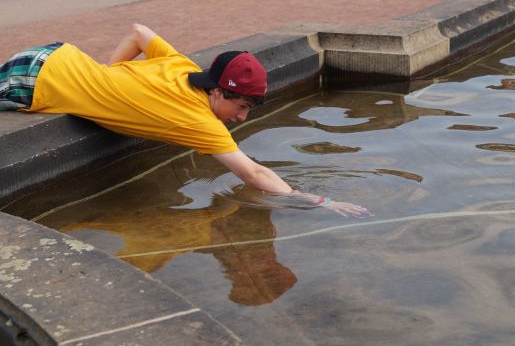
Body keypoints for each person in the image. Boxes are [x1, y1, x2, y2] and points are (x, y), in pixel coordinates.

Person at [1, 24, 370, 217]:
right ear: (218, 93)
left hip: (54, 54)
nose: (240, 118)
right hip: (34, 82)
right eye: (240, 107)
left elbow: (138, 31)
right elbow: (254, 174)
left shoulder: (185, 66)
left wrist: (107, 77)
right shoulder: (199, 121)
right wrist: (320, 201)